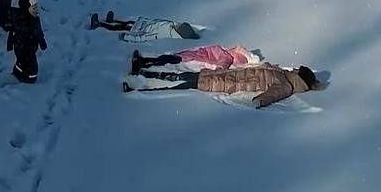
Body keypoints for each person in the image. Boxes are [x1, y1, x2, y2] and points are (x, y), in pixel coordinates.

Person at [123, 63, 323, 109]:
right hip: (221, 74)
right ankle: (145, 72)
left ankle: (139, 90)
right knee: (181, 76)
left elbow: (271, 95)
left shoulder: (285, 85)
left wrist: (259, 101)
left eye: (298, 70)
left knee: (182, 85)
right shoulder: (283, 73)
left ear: (299, 76)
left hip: (223, 83)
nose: (295, 68)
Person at [130, 45, 258, 75]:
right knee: (166, 60)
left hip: (192, 59)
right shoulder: (224, 52)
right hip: (193, 56)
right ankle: (143, 63)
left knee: (166, 60)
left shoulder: (226, 56)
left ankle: (142, 63)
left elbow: (223, 63)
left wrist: (220, 69)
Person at [7, 0, 47, 83]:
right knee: (25, 62)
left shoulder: (35, 20)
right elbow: (12, 30)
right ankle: (27, 76)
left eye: (36, 8)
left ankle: (26, 74)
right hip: (20, 46)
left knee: (27, 62)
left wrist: (42, 41)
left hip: (31, 47)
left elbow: (39, 32)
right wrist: (10, 42)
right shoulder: (18, 18)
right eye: (33, 8)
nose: (36, 11)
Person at [88, 10, 201, 40]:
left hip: (139, 30)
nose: (178, 24)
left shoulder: (166, 33)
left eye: (180, 26)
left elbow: (147, 37)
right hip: (142, 24)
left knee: (118, 28)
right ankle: (111, 20)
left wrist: (129, 37)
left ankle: (99, 25)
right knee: (125, 23)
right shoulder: (171, 26)